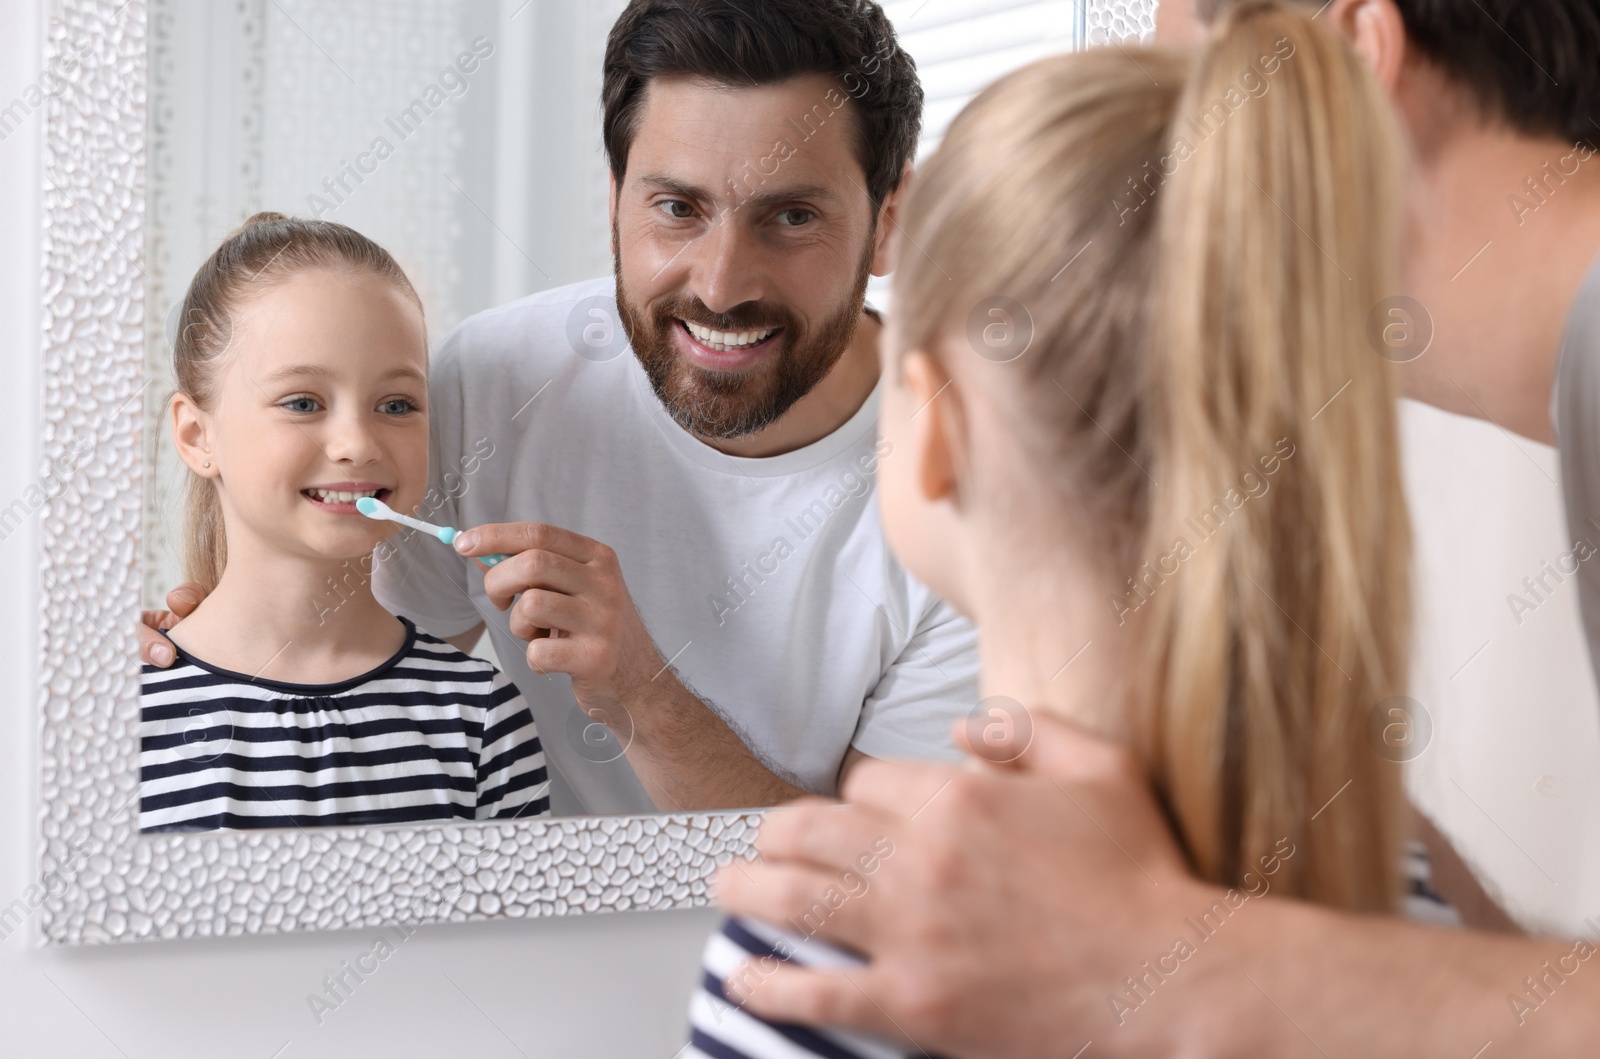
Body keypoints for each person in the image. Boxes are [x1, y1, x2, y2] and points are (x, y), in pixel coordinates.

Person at [708, 2, 1600, 1056]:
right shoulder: (1404, 914)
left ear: (936, 425)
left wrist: (1165, 963)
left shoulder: (861, 930)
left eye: (1196, 72)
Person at [141, 0, 982, 817]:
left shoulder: (980, 495)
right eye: (677, 208)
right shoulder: (496, 379)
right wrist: (210, 649)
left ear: (888, 222)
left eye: (792, 216)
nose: (722, 284)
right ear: (615, 198)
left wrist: (643, 699)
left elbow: (886, 900)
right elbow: (359, 658)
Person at [141, 212, 549, 831]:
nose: (357, 443)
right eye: (303, 402)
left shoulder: (482, 717)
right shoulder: (113, 712)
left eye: (396, 405)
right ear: (198, 435)